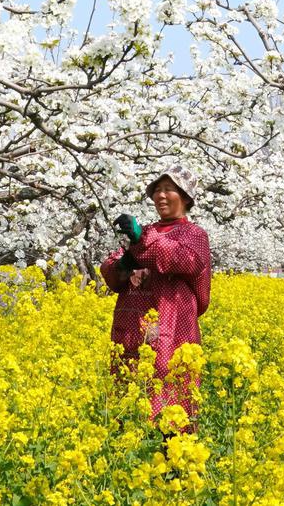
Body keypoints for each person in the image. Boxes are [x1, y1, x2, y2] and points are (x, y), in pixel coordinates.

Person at [101, 170, 211, 428]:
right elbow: (111, 272)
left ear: (185, 197)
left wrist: (142, 240)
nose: (160, 195)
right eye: (157, 190)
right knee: (129, 405)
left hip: (172, 329)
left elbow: (186, 261)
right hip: (131, 328)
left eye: (168, 189)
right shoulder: (144, 231)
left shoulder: (193, 234)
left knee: (169, 396)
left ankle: (175, 459)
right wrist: (124, 263)